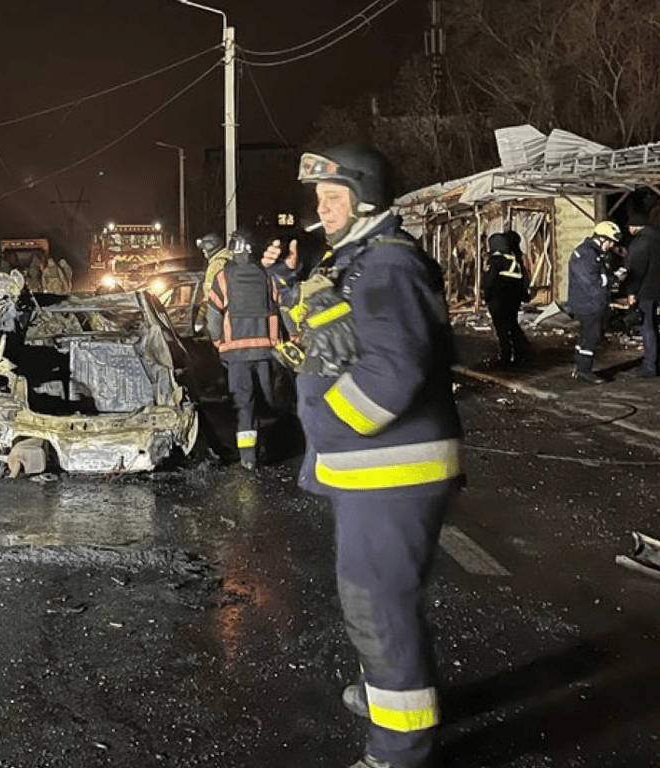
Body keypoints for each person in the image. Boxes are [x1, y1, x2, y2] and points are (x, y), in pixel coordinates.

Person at [288, 143, 464, 768]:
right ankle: (383, 692)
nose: (323, 209)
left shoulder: (387, 266)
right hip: (378, 467)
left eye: (333, 198)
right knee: (376, 599)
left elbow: (393, 372)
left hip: (392, 467)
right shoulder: (360, 260)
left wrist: (329, 424)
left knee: (377, 604)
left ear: (365, 197)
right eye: (318, 199)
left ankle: (400, 749)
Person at [206, 229, 281, 470]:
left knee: (243, 403)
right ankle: (271, 449)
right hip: (267, 352)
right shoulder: (268, 276)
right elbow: (282, 309)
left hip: (236, 355)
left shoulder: (222, 277)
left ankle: (248, 458)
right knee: (269, 400)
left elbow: (213, 317)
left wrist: (219, 344)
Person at [567, 221, 622, 383]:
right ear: (601, 238)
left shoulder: (594, 252)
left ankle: (579, 367)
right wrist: (613, 280)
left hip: (590, 302)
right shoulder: (585, 254)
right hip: (588, 303)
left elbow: (601, 273)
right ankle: (584, 371)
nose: (611, 245)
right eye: (610, 241)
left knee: (585, 336)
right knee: (592, 337)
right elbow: (592, 280)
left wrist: (612, 277)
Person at [481, 231, 532, 368]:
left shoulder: (494, 261)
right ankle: (522, 352)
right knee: (512, 325)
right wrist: (523, 296)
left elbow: (489, 282)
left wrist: (486, 295)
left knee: (502, 330)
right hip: (513, 301)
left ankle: (506, 357)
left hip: (498, 300)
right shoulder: (514, 260)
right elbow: (521, 281)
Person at [622, 210, 660, 377]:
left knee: (646, 328)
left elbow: (636, 271)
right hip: (656, 290)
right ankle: (655, 362)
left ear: (633, 226)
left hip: (645, 291)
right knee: (653, 327)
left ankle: (649, 367)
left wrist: (631, 292)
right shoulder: (656, 239)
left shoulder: (640, 243)